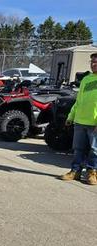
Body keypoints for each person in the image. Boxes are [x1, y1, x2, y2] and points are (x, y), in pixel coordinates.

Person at [60, 53, 97, 185]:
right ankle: (75, 171)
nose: (94, 64)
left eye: (96, 62)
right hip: (80, 121)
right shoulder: (86, 79)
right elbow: (78, 100)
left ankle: (92, 172)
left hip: (94, 123)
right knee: (78, 148)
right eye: (92, 62)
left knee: (94, 150)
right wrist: (71, 116)